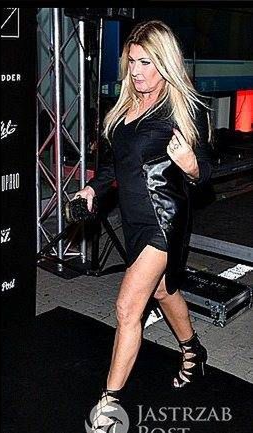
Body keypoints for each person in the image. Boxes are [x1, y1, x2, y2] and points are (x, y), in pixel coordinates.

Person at [75, 20, 213, 429]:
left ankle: (109, 404)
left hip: (164, 219)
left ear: (165, 63)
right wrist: (92, 189)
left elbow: (204, 171)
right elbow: (111, 167)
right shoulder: (124, 107)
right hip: (134, 221)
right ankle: (193, 350)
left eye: (146, 62)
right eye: (132, 61)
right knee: (163, 290)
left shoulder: (181, 108)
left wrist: (190, 165)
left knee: (127, 306)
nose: (136, 71)